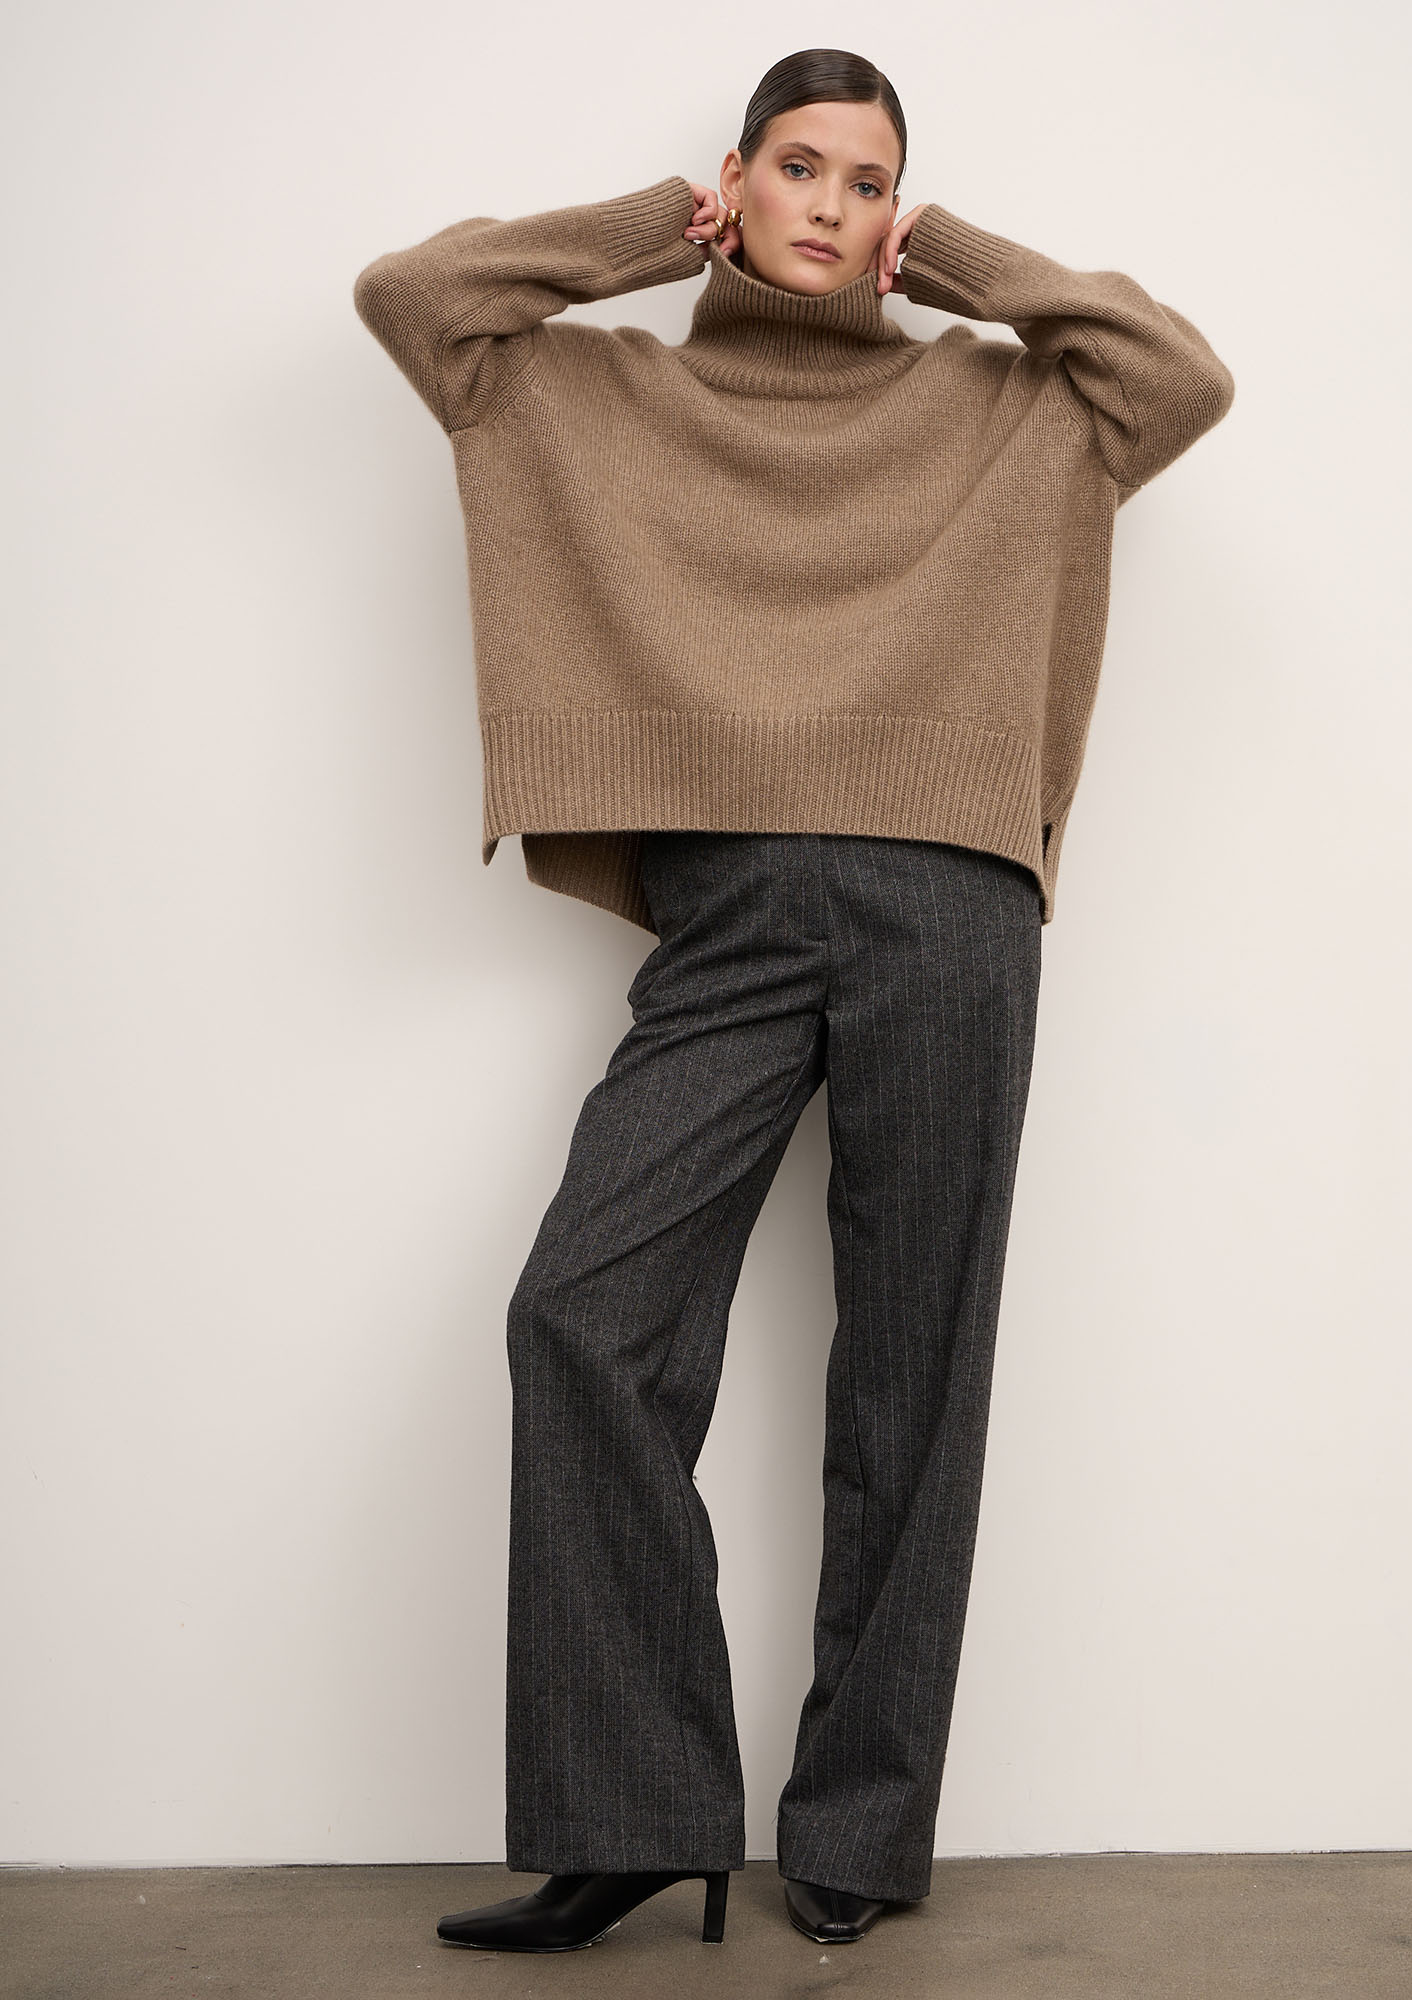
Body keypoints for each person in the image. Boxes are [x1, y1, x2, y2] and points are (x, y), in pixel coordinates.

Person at [352, 47, 1234, 1956]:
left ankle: (861, 1829)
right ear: (734, 180)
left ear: (899, 211)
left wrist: (961, 262)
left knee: (915, 1371)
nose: (830, 206)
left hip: (950, 909)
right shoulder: (612, 393)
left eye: (869, 180)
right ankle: (630, 1812)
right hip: (734, 915)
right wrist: (638, 237)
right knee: (582, 1319)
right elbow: (418, 303)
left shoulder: (1003, 404)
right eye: (799, 168)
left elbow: (1180, 379)